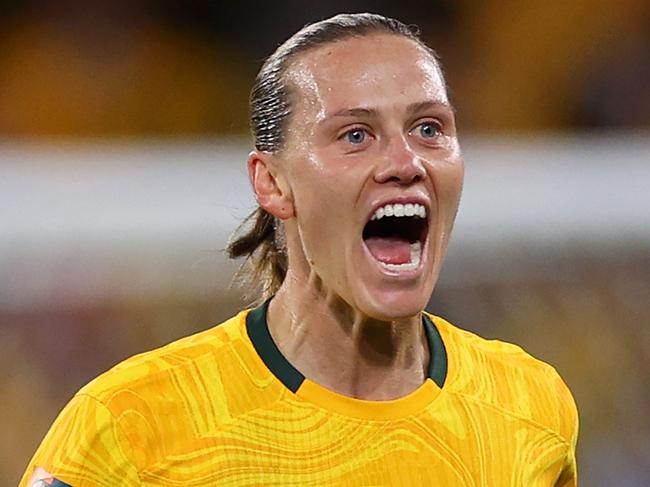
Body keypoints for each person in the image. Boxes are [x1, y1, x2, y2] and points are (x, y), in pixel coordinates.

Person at [20, 13, 578, 487]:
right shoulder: (131, 426)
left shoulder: (530, 405)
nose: (406, 163)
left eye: (429, 128)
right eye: (355, 135)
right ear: (272, 184)